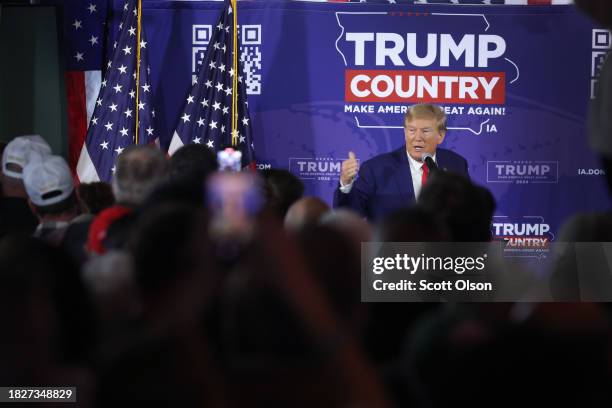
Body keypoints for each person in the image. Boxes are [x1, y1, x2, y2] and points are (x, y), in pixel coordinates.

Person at [333, 104, 469, 220]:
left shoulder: (456, 165)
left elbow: (467, 213)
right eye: (412, 130)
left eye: (425, 131)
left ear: (440, 135)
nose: (417, 138)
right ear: (404, 133)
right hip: (391, 250)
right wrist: (346, 184)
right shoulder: (376, 169)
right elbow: (348, 216)